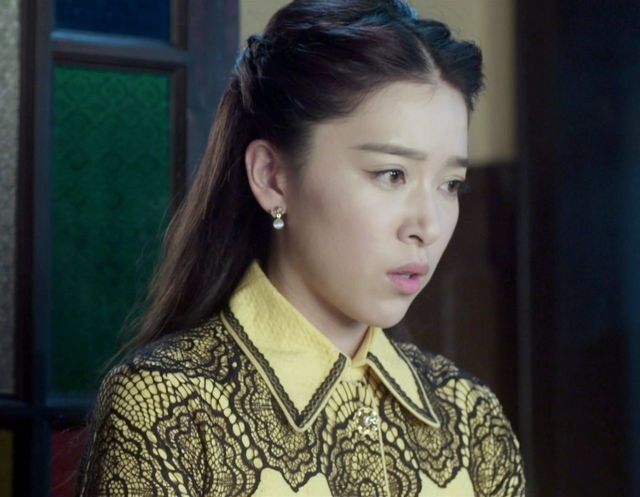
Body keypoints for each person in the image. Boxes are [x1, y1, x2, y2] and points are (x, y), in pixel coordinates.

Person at [75, 0, 526, 495]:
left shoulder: (470, 417)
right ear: (272, 176)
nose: (429, 226)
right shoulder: (166, 406)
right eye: (391, 174)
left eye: (450, 184)